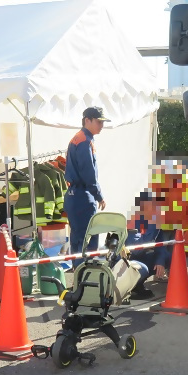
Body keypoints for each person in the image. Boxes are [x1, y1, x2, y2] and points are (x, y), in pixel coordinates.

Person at [64, 106, 110, 267]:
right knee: (88, 240)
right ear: (87, 120)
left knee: (78, 240)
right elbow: (88, 173)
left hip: (73, 195)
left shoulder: (78, 138)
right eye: (98, 122)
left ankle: (78, 277)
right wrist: (99, 195)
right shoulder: (84, 141)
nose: (101, 125)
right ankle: (85, 278)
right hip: (83, 195)